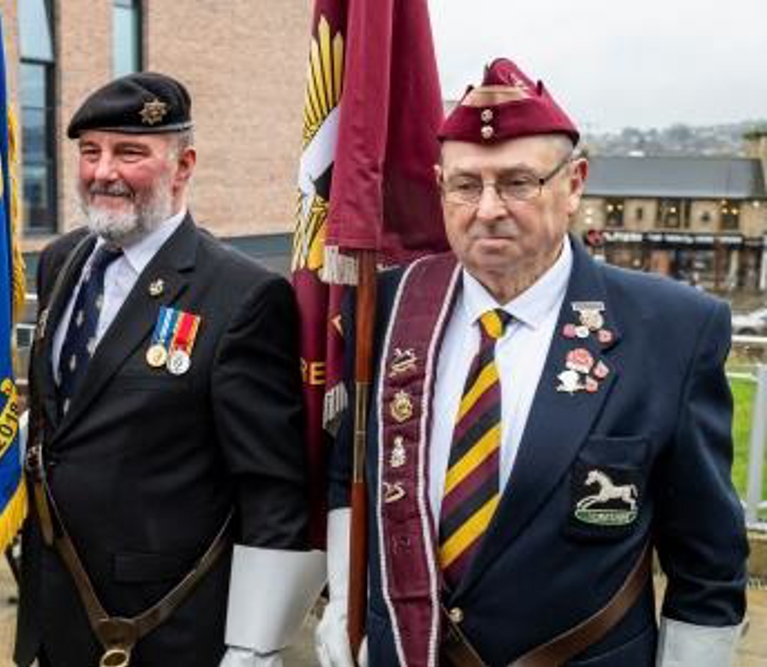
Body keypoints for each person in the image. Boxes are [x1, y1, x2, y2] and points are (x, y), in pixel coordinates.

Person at [315, 58, 748, 667]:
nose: (488, 208)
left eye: (518, 182)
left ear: (574, 184)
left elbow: (707, 560)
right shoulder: (385, 308)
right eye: (466, 184)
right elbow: (350, 472)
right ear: (440, 185)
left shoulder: (673, 329)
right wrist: (345, 604)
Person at [14, 71, 323, 667]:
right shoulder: (61, 262)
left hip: (164, 627)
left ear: (182, 167)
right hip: (55, 608)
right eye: (90, 151)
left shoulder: (240, 296)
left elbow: (271, 487)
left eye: (130, 153)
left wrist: (256, 641)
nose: (103, 171)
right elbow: (71, 416)